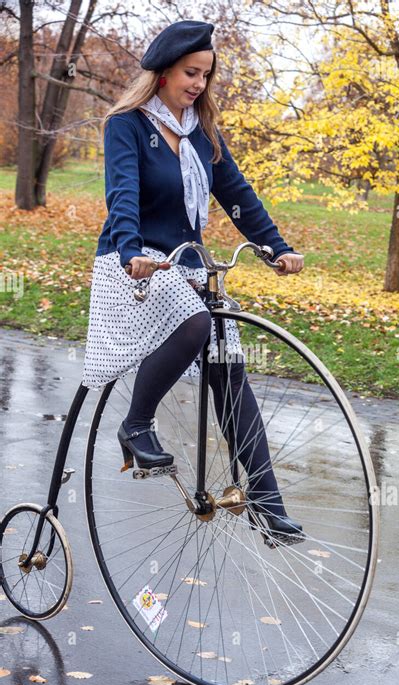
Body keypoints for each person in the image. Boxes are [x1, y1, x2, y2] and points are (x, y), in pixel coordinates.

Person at [81, 20, 305, 541]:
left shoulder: (202, 134)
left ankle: (267, 501)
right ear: (161, 73)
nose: (199, 83)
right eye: (191, 72)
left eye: (206, 74)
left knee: (231, 378)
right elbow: (123, 195)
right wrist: (131, 248)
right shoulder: (128, 124)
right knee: (196, 322)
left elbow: (238, 195)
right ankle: (136, 423)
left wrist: (277, 247)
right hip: (134, 266)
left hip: (188, 266)